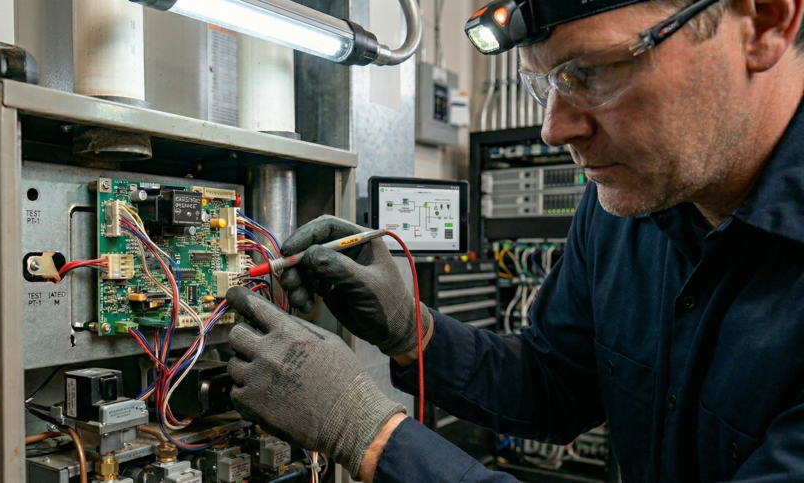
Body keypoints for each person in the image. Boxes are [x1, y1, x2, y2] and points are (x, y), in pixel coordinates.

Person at [223, 0, 804, 479]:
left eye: (591, 73)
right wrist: (413, 333)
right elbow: (554, 385)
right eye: (542, 83)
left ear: (766, 21)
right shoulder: (631, 202)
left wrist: (369, 434)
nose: (554, 129)